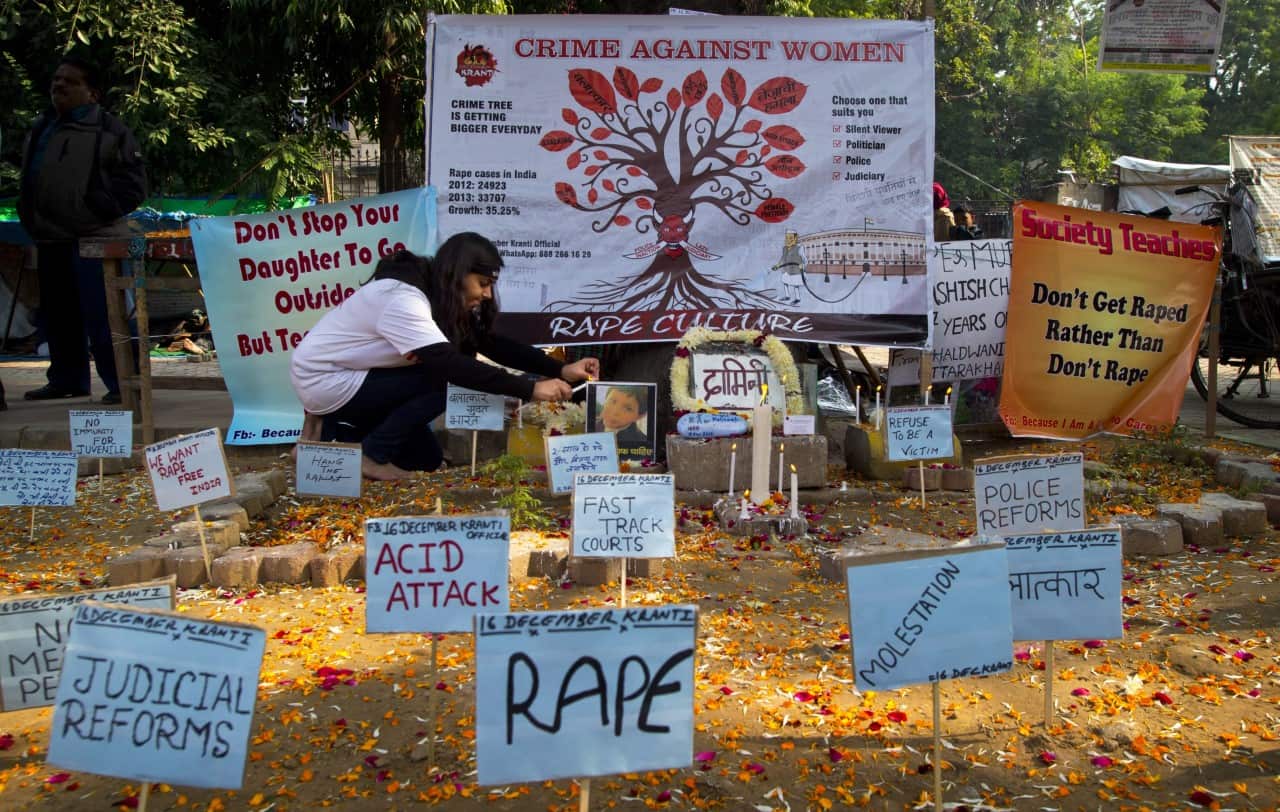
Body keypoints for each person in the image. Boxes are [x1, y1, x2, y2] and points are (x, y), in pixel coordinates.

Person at [290, 233, 599, 480]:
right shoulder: (403, 300)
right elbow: (451, 366)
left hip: (357, 376)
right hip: (325, 378)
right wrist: (529, 388)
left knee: (426, 460)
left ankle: (324, 438)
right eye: (483, 284)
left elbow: (490, 344)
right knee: (443, 377)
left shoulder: (436, 295)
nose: (487, 295)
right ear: (458, 275)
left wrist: (561, 369)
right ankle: (370, 456)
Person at [18, 55, 146, 404]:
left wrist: (92, 210)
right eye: (56, 80)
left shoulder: (110, 131)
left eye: (70, 82)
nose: (59, 86)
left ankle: (124, 383)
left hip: (95, 238)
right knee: (58, 316)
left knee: (105, 314)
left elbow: (133, 187)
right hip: (50, 236)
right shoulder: (42, 126)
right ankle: (67, 380)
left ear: (92, 93)